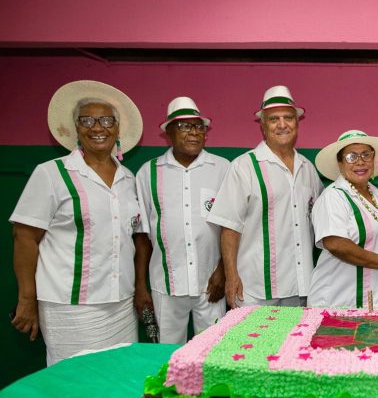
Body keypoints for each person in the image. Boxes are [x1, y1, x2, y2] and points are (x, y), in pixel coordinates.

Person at [10, 80, 143, 365]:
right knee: (74, 383)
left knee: (119, 377)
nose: (98, 128)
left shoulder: (128, 178)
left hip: (120, 304)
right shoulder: (51, 173)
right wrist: (26, 300)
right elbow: (24, 237)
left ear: (118, 129)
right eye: (88, 121)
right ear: (76, 129)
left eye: (107, 120)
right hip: (69, 307)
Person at [207, 86, 323, 308]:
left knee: (293, 342)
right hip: (255, 288)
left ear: (297, 123)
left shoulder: (308, 168)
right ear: (262, 126)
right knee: (254, 343)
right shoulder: (244, 166)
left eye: (288, 118)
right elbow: (229, 228)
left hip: (300, 285)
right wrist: (231, 277)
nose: (282, 125)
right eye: (273, 119)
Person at [134, 97, 229, 343]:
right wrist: (141, 286)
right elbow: (143, 234)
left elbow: (233, 226)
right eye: (185, 126)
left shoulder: (222, 168)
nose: (194, 133)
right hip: (165, 284)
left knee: (211, 352)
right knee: (166, 355)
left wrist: (223, 271)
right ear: (169, 133)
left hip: (211, 283)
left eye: (199, 127)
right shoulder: (148, 172)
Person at [308, 130, 378, 309]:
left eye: (366, 155)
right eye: (351, 156)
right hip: (339, 302)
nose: (360, 162)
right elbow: (335, 243)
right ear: (340, 164)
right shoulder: (333, 196)